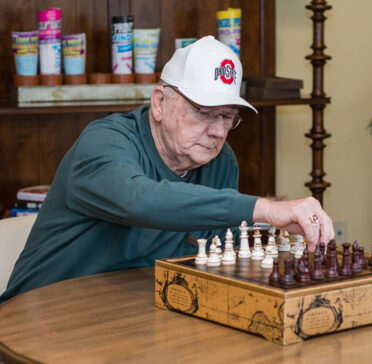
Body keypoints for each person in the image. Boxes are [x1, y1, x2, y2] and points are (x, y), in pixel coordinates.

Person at [1, 36, 333, 304]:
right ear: (160, 102)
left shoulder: (221, 161)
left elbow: (213, 266)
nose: (218, 131)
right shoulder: (104, 142)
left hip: (134, 324)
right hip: (37, 320)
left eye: (227, 116)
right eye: (204, 112)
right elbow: (139, 200)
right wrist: (264, 209)